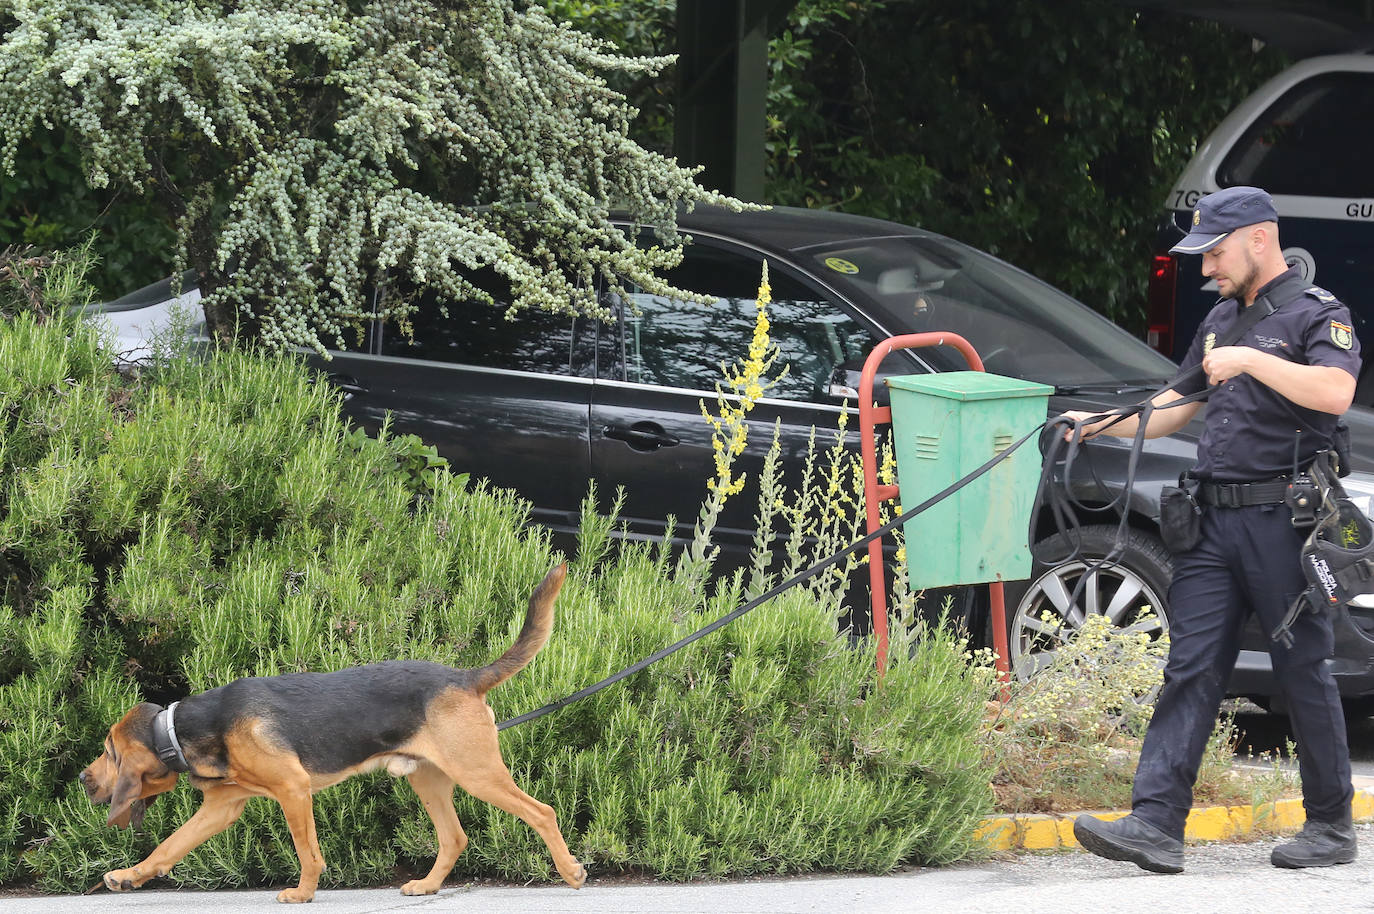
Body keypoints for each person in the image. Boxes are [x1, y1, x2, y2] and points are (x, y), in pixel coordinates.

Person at [1064, 186, 1363, 873]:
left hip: (1283, 524)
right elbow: (1175, 404)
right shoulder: (1222, 318)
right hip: (1211, 522)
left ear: (1260, 238)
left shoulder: (1317, 315)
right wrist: (1096, 426)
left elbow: (1335, 392)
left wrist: (1253, 360)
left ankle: (1329, 827)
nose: (1205, 269)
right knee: (1191, 668)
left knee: (1302, 671)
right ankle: (1155, 824)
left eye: (1216, 253)